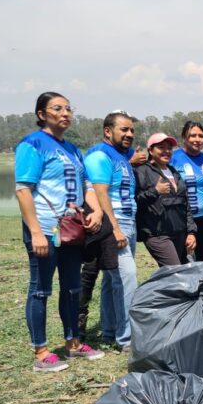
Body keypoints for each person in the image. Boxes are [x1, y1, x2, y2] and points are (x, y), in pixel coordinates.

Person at [14, 92, 105, 372]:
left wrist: (97, 211)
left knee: (72, 288)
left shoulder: (73, 150)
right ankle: (41, 352)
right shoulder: (33, 144)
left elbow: (87, 185)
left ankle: (73, 343)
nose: (65, 113)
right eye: (57, 108)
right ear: (42, 114)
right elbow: (23, 190)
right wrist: (36, 232)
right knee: (40, 290)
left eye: (68, 108)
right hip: (45, 229)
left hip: (71, 230)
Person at [78, 120, 145, 341]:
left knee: (111, 278)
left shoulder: (121, 156)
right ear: (108, 131)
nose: (129, 134)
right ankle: (127, 338)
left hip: (128, 221)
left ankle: (109, 331)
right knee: (127, 277)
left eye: (132, 130)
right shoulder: (100, 155)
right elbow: (100, 193)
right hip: (114, 223)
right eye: (124, 129)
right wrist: (114, 228)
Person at [135, 133, 197, 266]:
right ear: (151, 150)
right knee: (174, 270)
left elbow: (185, 203)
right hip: (157, 234)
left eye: (169, 148)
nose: (167, 151)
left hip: (179, 232)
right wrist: (155, 191)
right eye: (161, 147)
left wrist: (191, 232)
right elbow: (136, 200)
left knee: (183, 271)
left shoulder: (173, 171)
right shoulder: (142, 171)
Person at [170, 121, 203, 261]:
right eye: (193, 135)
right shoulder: (173, 158)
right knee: (183, 262)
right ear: (184, 137)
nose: (197, 139)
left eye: (201, 136)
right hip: (182, 220)